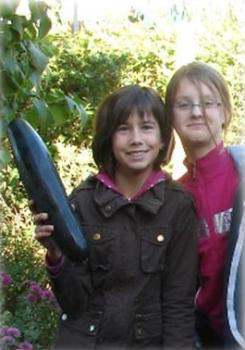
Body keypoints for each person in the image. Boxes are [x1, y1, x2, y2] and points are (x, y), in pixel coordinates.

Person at [33, 85, 198, 349]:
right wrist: (56, 254)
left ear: (163, 138)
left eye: (146, 127)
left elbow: (178, 304)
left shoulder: (178, 206)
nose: (136, 139)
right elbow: (73, 303)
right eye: (123, 128)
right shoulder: (82, 201)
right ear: (108, 138)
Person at [165, 62, 245, 349]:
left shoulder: (242, 175)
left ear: (225, 112)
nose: (197, 112)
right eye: (184, 104)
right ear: (170, 117)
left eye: (208, 103)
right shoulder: (173, 197)